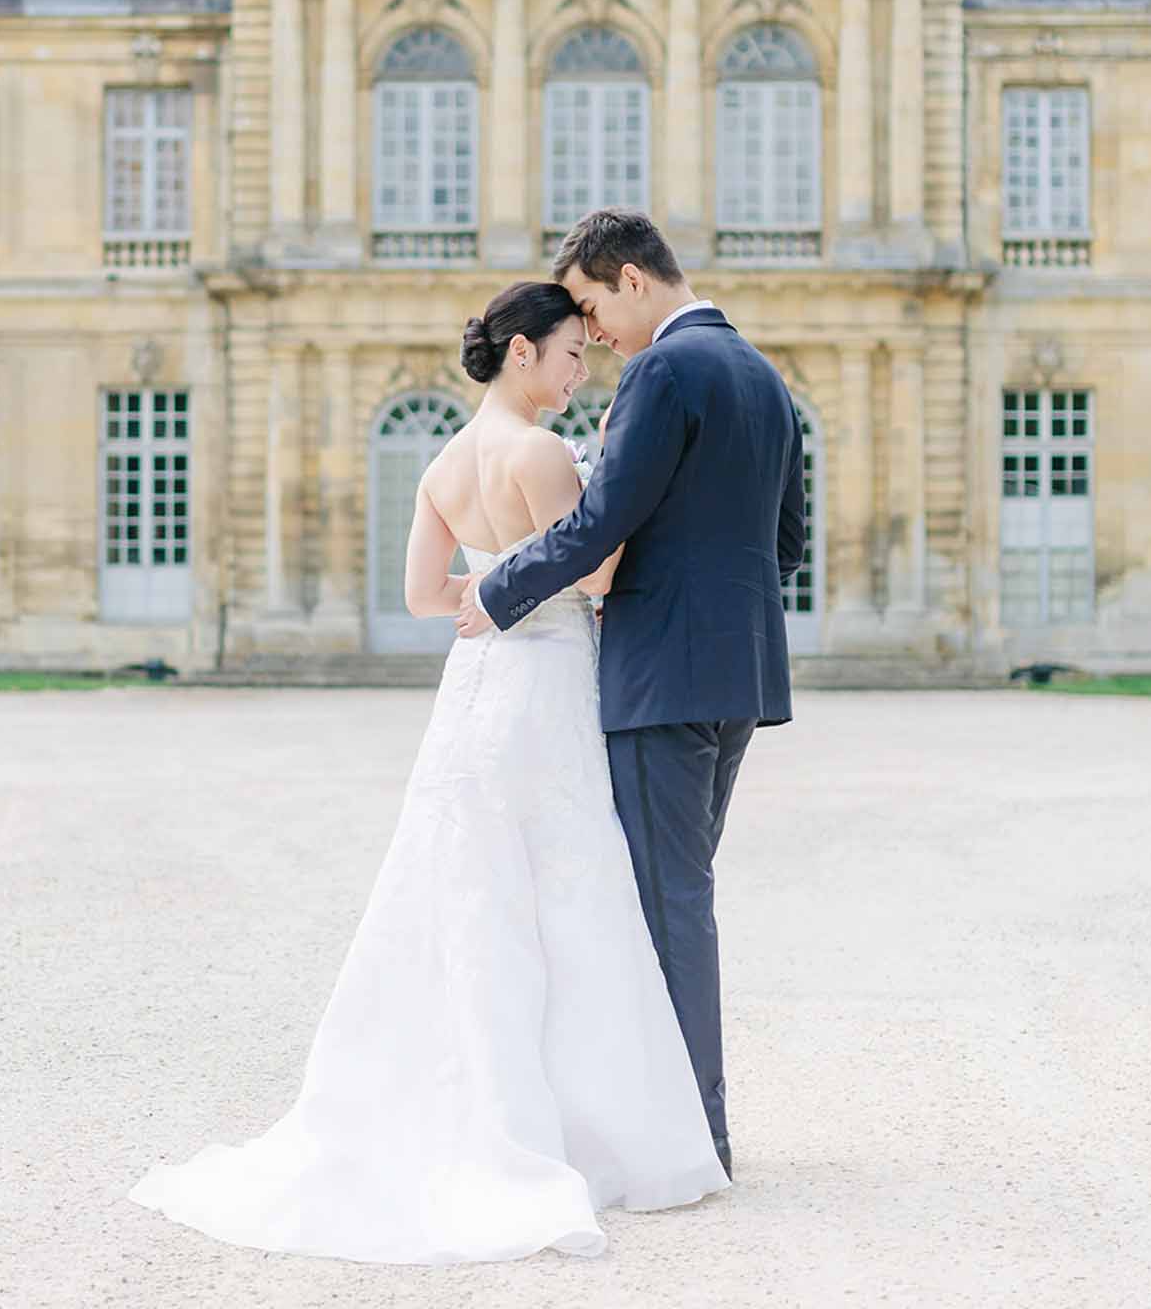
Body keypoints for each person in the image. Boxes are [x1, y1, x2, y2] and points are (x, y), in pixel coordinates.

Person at [127, 279, 728, 1265]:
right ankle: (596, 1130)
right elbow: (598, 575)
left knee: (470, 899)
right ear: (523, 351)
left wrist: (489, 593)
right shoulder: (540, 452)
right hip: (545, 688)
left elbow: (420, 593)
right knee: (572, 898)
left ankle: (469, 1104)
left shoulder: (446, 462)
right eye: (573, 352)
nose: (584, 370)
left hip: (475, 689)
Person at [458, 210, 805, 1176]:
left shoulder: (662, 371)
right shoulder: (764, 375)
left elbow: (605, 521)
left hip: (663, 674)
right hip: (739, 672)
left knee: (667, 905)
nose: (595, 331)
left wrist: (498, 589)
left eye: (594, 305)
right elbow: (786, 546)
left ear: (633, 280)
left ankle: (695, 1138)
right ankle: (675, 1119)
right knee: (674, 897)